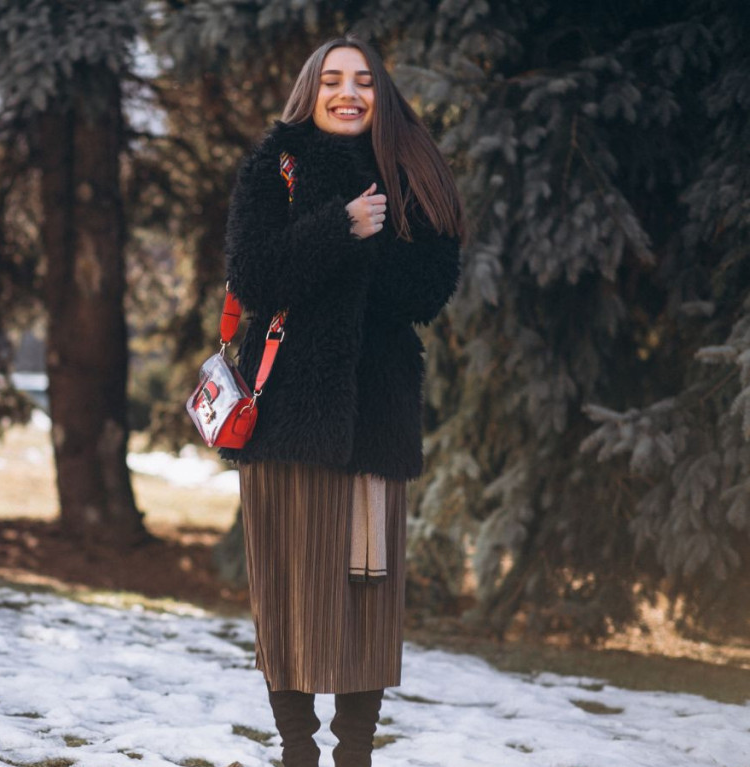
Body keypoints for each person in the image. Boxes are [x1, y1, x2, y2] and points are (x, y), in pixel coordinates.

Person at [217, 34, 465, 767]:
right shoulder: (277, 164)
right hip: (286, 419)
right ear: (311, 90)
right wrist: (339, 229)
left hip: (376, 416)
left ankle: (355, 752)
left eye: (362, 80)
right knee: (288, 595)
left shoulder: (414, 171)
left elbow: (427, 291)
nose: (347, 93)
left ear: (380, 94)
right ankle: (297, 749)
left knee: (368, 599)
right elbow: (255, 277)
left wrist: (367, 245)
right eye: (332, 80)